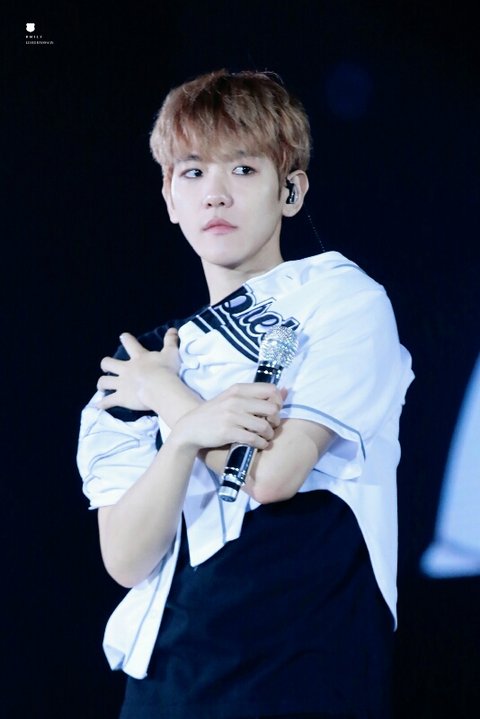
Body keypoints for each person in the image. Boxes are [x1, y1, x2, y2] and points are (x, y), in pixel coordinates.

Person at [77, 69, 414, 719]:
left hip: (305, 669)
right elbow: (125, 558)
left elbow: (273, 474)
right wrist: (182, 436)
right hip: (170, 684)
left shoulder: (340, 299)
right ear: (169, 197)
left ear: (290, 191)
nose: (216, 195)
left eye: (243, 169)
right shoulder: (138, 362)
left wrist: (172, 400)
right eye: (193, 172)